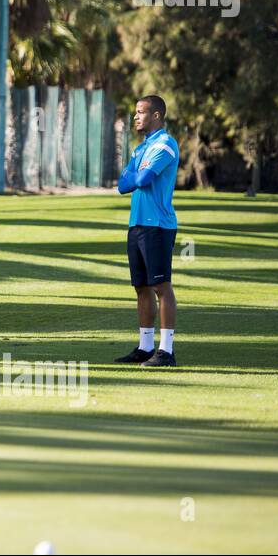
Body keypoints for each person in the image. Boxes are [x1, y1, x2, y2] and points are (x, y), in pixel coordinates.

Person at [114, 95, 180, 367]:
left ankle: (166, 351)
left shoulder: (165, 145)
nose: (135, 117)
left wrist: (135, 176)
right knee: (141, 287)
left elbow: (141, 178)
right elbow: (122, 184)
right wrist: (134, 175)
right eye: (135, 113)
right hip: (137, 225)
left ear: (156, 115)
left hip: (158, 226)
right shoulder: (140, 149)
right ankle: (145, 347)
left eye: (141, 112)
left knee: (160, 286)